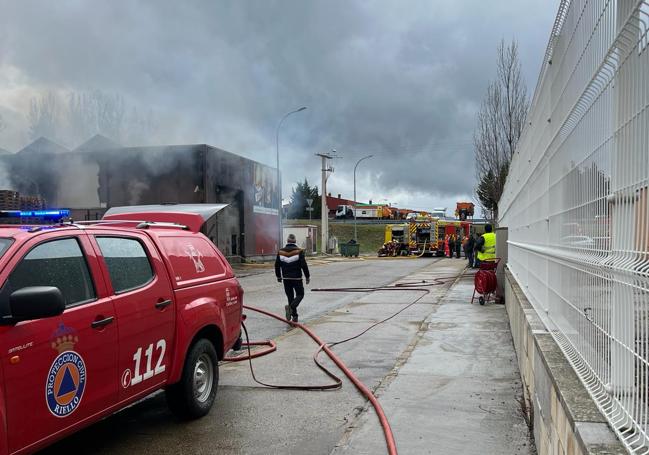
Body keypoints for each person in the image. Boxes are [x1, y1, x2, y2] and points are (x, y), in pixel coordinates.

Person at [275, 234, 310, 323]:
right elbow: (303, 265)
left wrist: (278, 276)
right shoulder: (299, 251)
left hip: (286, 279)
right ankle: (291, 308)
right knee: (300, 294)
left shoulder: (281, 251)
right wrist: (307, 276)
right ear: (295, 241)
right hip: (297, 278)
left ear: (287, 241)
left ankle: (294, 316)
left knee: (290, 297)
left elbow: (277, 265)